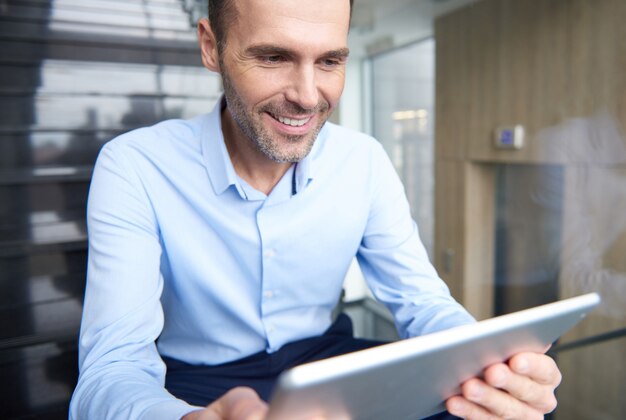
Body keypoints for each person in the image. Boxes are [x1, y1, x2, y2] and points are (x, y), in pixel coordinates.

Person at [69, 0, 562, 418]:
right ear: (211, 47)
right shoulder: (134, 164)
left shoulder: (363, 159)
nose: (307, 97)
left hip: (325, 364)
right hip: (196, 383)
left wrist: (490, 371)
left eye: (329, 61)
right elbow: (113, 367)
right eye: (273, 57)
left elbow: (422, 303)